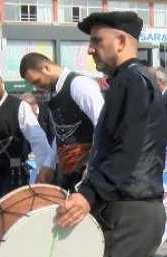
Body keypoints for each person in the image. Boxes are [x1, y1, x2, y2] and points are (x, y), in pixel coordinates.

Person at [57, 11, 167, 257]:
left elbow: (127, 151)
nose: (90, 49)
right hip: (139, 209)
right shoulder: (135, 80)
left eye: (96, 41)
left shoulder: (131, 81)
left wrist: (87, 194)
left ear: (121, 42)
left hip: (129, 212)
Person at [0, 64, 55, 214]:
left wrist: (46, 167)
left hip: (14, 173)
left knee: (12, 217)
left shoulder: (19, 106)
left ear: (1, 83)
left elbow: (38, 139)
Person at [19, 52, 104, 191]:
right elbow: (62, 133)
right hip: (67, 174)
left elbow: (102, 124)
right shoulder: (54, 92)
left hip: (87, 173)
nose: (37, 88)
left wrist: (93, 164)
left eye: (37, 81)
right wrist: (49, 165)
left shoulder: (79, 84)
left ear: (46, 68)